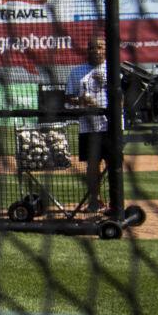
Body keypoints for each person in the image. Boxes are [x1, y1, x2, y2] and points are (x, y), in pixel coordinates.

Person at [69, 37, 113, 210]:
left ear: (105, 49)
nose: (95, 50)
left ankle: (115, 202)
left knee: (113, 164)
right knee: (92, 165)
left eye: (99, 47)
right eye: (91, 48)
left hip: (111, 125)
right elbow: (68, 97)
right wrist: (81, 100)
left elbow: (124, 98)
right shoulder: (77, 71)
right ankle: (95, 200)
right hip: (88, 125)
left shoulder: (115, 70)